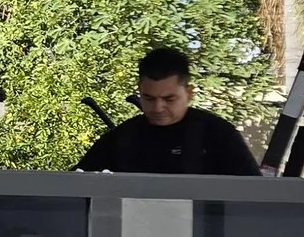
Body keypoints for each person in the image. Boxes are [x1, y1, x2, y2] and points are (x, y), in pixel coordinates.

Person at [75, 46, 264, 176]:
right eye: (149, 98)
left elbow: (254, 193)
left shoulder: (218, 135)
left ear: (188, 93)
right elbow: (74, 185)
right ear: (139, 90)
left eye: (169, 99)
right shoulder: (123, 136)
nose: (158, 108)